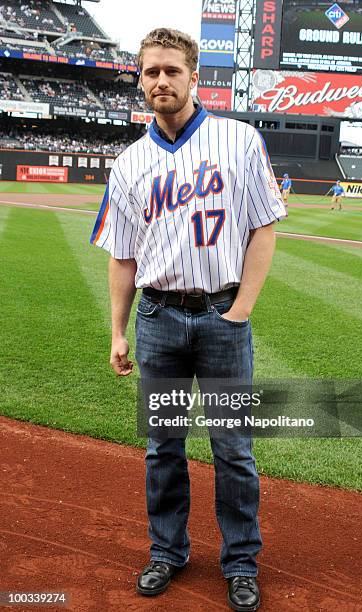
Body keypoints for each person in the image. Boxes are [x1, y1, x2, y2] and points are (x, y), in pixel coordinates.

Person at [90, 27, 286, 611]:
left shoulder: (239, 140)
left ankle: (241, 561)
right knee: (163, 448)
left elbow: (264, 226)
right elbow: (123, 256)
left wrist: (241, 309)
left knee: (233, 448)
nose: (161, 81)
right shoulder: (129, 163)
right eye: (150, 72)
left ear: (194, 76)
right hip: (158, 320)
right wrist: (119, 330)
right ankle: (167, 551)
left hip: (221, 317)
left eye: (172, 71)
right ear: (140, 79)